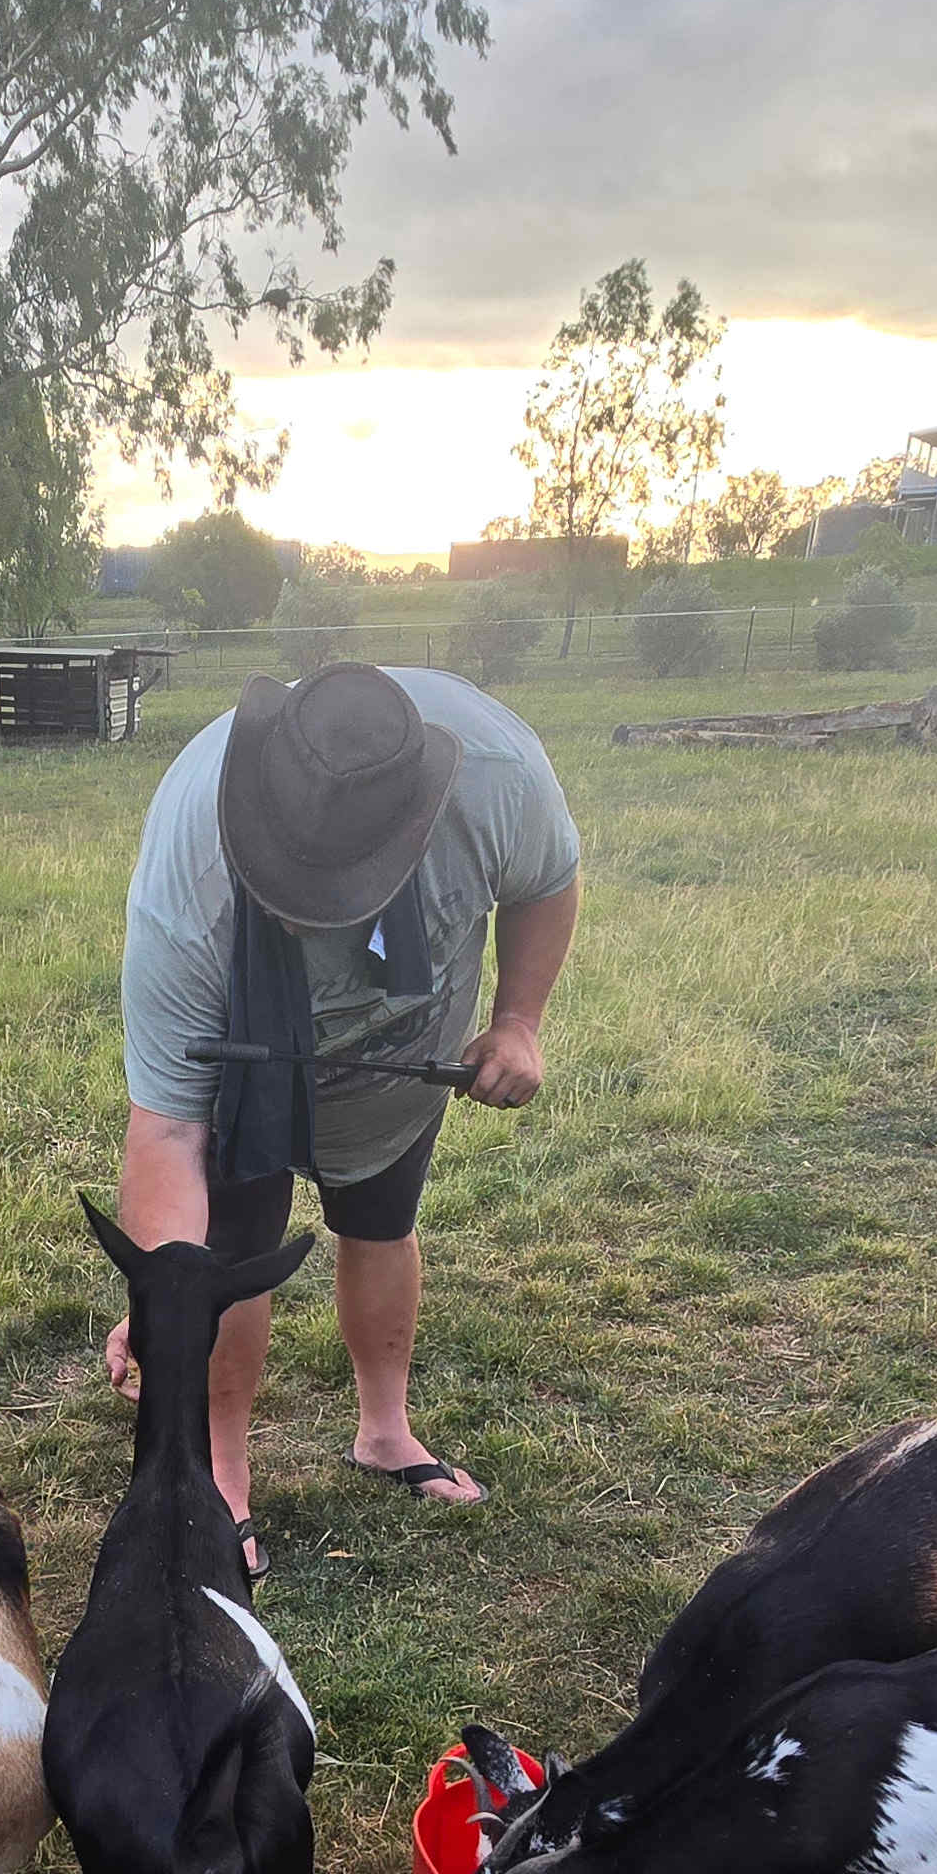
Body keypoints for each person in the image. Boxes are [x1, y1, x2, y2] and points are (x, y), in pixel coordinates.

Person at [107, 658, 582, 1575]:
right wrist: (165, 1294)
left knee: (381, 1222)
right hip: (245, 1057)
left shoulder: (497, 774)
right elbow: (164, 1132)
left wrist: (519, 1021)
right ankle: (225, 1483)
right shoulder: (189, 874)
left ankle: (384, 1431)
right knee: (233, 1262)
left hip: (402, 1057)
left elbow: (546, 881)